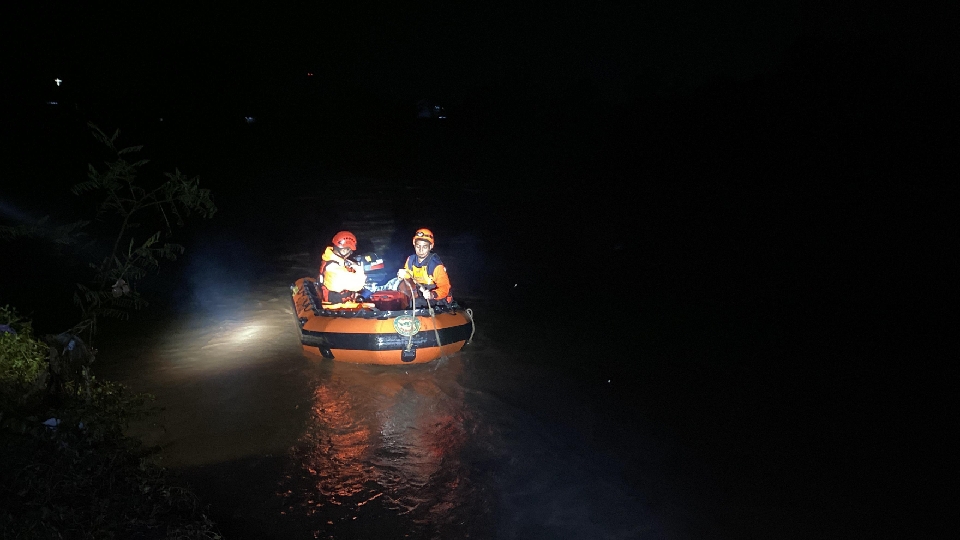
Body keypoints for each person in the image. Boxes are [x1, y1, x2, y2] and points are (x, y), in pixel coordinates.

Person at [396, 228, 453, 304]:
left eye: (425, 247)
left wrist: (432, 295)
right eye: (418, 246)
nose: (421, 250)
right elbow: (408, 276)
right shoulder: (411, 260)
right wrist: (401, 275)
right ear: (414, 244)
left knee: (416, 303)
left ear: (431, 246)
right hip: (421, 294)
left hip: (438, 299)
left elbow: (445, 287)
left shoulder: (435, 265)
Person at [318, 231, 367, 303]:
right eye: (349, 251)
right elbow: (358, 285)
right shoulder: (333, 268)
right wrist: (360, 271)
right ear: (344, 250)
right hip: (336, 304)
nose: (350, 254)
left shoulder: (331, 258)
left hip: (338, 299)